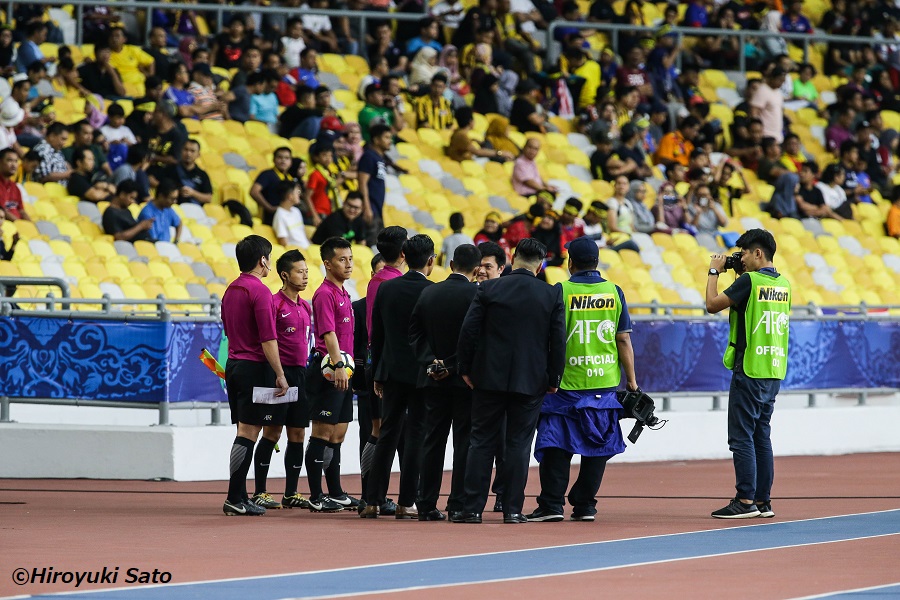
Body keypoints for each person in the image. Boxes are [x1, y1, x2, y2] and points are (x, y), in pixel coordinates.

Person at [454, 238, 566, 523]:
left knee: (480, 441)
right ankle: (512, 510)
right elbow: (558, 341)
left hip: (488, 378)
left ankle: (472, 509)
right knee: (518, 444)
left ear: (513, 258)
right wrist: (554, 377)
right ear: (540, 265)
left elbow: (469, 331)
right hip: (531, 381)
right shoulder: (550, 294)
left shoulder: (489, 288)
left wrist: (465, 368)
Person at [526, 236, 637, 522]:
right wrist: (632, 382)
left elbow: (546, 338)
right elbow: (623, 339)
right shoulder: (614, 291)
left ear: (570, 262)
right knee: (598, 444)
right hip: (603, 384)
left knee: (555, 443)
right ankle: (585, 504)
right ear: (597, 262)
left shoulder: (560, 290)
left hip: (564, 384)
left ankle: (551, 504)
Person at [706, 229, 791, 519]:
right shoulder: (783, 284)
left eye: (743, 253)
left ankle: (744, 501)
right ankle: (763, 501)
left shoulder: (750, 282)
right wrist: (737, 274)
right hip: (772, 369)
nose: (739, 258)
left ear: (757, 253)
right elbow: (746, 303)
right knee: (761, 436)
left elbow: (712, 305)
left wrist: (713, 271)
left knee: (741, 438)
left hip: (750, 369)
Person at [360, 234, 437, 519]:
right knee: (416, 435)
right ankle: (406, 502)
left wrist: (378, 373)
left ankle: (373, 501)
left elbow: (376, 336)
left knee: (387, 433)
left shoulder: (386, 289)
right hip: (421, 374)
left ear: (404, 254)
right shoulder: (432, 291)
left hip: (390, 372)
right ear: (431, 260)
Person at [409, 243, 481, 521]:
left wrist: (432, 362)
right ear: (477, 270)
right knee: (464, 442)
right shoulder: (478, 294)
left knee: (432, 441)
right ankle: (458, 503)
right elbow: (476, 338)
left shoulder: (429, 291)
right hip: (464, 381)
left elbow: (414, 332)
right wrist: (452, 366)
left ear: (450, 264)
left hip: (432, 379)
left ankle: (426, 503)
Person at [220, 235, 290, 516]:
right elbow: (268, 339)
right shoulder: (259, 291)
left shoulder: (230, 289)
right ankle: (233, 498)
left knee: (243, 430)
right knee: (249, 432)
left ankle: (240, 495)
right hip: (252, 367)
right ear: (263, 260)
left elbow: (227, 330)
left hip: (234, 365)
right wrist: (280, 374)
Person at [249, 249, 315, 510]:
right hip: (277, 374)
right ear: (285, 275)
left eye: (307, 271)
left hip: (301, 374)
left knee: (297, 432)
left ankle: (291, 492)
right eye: (300, 271)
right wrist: (277, 374)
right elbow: (266, 340)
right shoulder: (274, 303)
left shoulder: (305, 306)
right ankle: (261, 491)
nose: (305, 276)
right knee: (273, 431)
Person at [305, 237, 357, 512]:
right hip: (330, 370)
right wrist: (337, 365)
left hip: (344, 370)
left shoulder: (344, 292)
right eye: (342, 259)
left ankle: (335, 492)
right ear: (327, 263)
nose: (348, 264)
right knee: (322, 433)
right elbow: (328, 333)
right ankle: (316, 496)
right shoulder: (324, 293)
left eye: (350, 258)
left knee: (338, 434)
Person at [357, 226, 407, 512]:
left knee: (381, 430)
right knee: (385, 431)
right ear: (403, 253)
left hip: (378, 360)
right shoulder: (394, 282)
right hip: (389, 363)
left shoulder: (376, 281)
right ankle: (373, 495)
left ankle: (372, 495)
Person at [358, 123, 392, 240]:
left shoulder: (379, 158)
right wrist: (367, 207)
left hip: (377, 208)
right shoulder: (368, 156)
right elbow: (362, 182)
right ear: (376, 140)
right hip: (371, 208)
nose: (390, 141)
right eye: (386, 137)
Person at [251, 146, 300, 226]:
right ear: (273, 159)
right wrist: (269, 208)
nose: (283, 160)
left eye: (287, 158)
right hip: (270, 217)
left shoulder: (289, 178)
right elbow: (254, 191)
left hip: (286, 217)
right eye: (280, 157)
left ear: (291, 162)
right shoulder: (267, 174)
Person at [161, 139, 213, 205]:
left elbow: (208, 198)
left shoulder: (202, 174)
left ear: (198, 155)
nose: (188, 153)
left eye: (192, 151)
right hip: (173, 206)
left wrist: (192, 193)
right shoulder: (170, 169)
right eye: (186, 150)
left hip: (195, 209)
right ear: (181, 151)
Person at [137, 178, 182, 243]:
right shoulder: (147, 213)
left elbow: (179, 223)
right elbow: (153, 240)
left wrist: (176, 241)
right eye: (172, 199)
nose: (174, 202)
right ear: (161, 196)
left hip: (167, 246)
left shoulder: (168, 209)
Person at [272, 180, 311, 249]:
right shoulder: (280, 215)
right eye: (297, 192)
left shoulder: (296, 211)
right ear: (290, 196)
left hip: (308, 249)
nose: (300, 194)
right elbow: (284, 243)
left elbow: (303, 235)